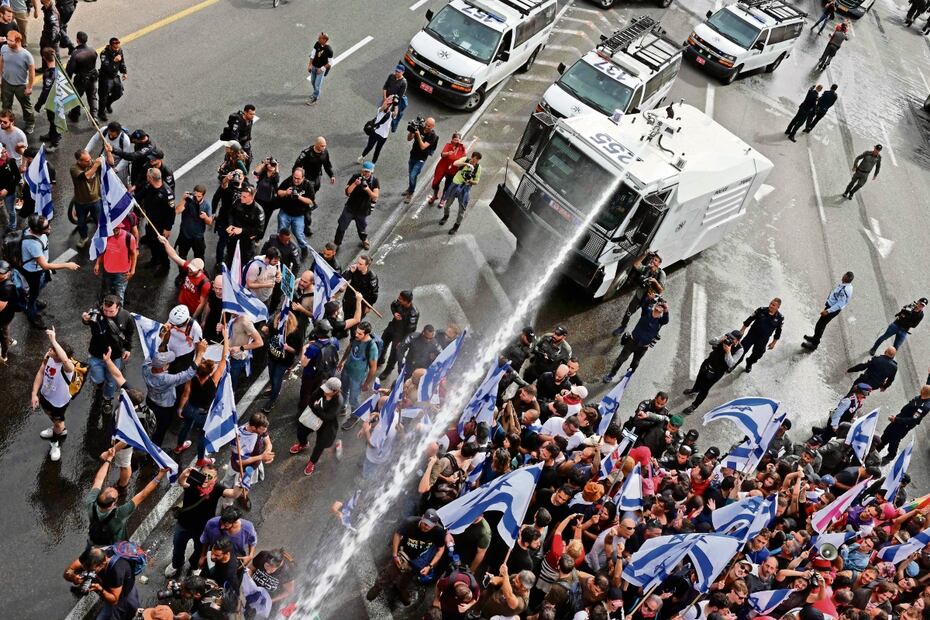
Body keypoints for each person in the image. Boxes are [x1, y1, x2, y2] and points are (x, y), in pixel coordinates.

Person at [165, 464, 242, 578]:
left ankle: (195, 566)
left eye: (210, 477)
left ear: (215, 479)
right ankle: (176, 564)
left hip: (203, 528)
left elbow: (234, 494)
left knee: (199, 550)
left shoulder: (217, 488)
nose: (206, 478)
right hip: (184, 524)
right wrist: (183, 474)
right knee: (178, 547)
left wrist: (241, 482)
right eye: (204, 475)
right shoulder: (193, 481)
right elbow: (182, 482)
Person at [366, 509, 447, 606]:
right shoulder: (410, 523)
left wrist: (430, 566)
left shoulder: (439, 531)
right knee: (390, 573)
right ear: (422, 517)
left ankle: (401, 590)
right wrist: (395, 555)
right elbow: (397, 534)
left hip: (419, 559)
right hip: (404, 553)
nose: (425, 527)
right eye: (425, 523)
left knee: (408, 578)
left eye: (429, 525)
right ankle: (378, 587)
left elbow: (441, 549)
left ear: (435, 524)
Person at [86, 457, 167, 547]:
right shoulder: (120, 513)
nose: (112, 488)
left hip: (94, 541)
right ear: (113, 504)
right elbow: (143, 494)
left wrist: (108, 459)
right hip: (115, 546)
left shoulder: (90, 503)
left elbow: (98, 480)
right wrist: (160, 475)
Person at [174, 333, 228, 464]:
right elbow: (224, 359)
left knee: (185, 426)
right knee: (202, 436)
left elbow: (186, 394)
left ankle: (179, 446)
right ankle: (200, 459)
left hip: (189, 407)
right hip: (203, 413)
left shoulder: (192, 377)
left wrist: (180, 409)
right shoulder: (214, 380)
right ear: (210, 372)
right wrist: (225, 339)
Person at [21, 214, 80, 329]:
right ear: (37, 230)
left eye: (48, 224)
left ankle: (32, 296)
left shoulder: (34, 231)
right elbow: (44, 265)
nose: (50, 227)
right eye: (47, 226)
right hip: (34, 272)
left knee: (39, 286)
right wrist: (67, 265)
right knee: (34, 292)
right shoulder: (33, 244)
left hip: (38, 268)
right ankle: (31, 313)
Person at [144, 339, 206, 447]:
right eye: (168, 363)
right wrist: (200, 354)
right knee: (160, 430)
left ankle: (146, 438)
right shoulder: (166, 379)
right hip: (164, 409)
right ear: (163, 367)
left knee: (148, 423)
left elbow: (152, 353)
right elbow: (187, 374)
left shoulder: (145, 367)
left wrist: (162, 339)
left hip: (150, 401)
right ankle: (154, 449)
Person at [82, 295, 133, 414]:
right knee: (97, 378)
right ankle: (99, 384)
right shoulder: (96, 313)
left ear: (118, 307)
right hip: (96, 354)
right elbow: (87, 321)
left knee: (111, 381)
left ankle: (107, 399)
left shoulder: (126, 316)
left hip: (114, 357)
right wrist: (85, 319)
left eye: (111, 311)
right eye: (105, 310)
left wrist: (127, 349)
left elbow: (129, 333)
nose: (107, 313)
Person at [30, 326, 74, 461]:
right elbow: (41, 372)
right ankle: (57, 427)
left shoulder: (68, 367)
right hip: (45, 396)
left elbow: (65, 360)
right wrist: (34, 393)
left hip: (59, 402)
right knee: (53, 418)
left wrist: (54, 340)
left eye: (53, 350)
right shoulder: (49, 357)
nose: (50, 350)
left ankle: (55, 442)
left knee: (59, 423)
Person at [63, 545, 142, 620]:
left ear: (104, 561)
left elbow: (114, 600)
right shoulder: (92, 557)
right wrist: (73, 577)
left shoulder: (116, 571)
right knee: (134, 608)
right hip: (113, 585)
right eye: (85, 569)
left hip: (122, 593)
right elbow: (68, 571)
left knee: (124, 610)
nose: (88, 572)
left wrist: (100, 589)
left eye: (92, 570)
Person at [603, 298, 669, 382]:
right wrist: (650, 299)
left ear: (663, 310)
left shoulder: (661, 321)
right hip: (632, 342)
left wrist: (666, 308)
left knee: (635, 363)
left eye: (662, 306)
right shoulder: (647, 312)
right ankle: (611, 374)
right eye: (659, 304)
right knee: (620, 359)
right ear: (656, 305)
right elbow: (644, 305)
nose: (660, 307)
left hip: (643, 348)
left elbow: (666, 320)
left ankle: (628, 376)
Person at [292, 376, 344, 476]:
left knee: (321, 445)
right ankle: (303, 444)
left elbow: (328, 417)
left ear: (335, 391)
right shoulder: (322, 388)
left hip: (327, 424)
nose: (325, 392)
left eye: (328, 391)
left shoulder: (338, 401)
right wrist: (317, 410)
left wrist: (318, 409)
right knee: (301, 431)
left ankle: (312, 462)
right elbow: (311, 400)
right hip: (314, 417)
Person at [682, 330, 743, 414]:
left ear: (737, 341)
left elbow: (731, 364)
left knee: (705, 389)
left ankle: (694, 406)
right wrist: (720, 340)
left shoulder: (740, 350)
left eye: (732, 339)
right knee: (699, 378)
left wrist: (728, 351)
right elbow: (711, 342)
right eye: (730, 337)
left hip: (717, 372)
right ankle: (694, 390)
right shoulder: (726, 337)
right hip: (708, 363)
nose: (730, 339)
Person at [874, 385, 930, 464]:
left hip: (903, 426)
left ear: (924, 392)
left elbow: (913, 420)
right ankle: (878, 447)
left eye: (923, 389)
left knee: (894, 440)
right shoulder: (920, 397)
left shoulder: (924, 407)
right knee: (887, 433)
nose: (921, 389)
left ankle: (890, 455)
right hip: (898, 419)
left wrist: (896, 419)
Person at [614, 251, 667, 334]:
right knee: (628, 312)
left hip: (649, 299)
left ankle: (638, 333)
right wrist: (644, 254)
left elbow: (661, 290)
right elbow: (636, 264)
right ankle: (622, 326)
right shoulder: (647, 268)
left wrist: (655, 281)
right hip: (639, 295)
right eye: (653, 259)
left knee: (645, 318)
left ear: (659, 263)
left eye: (656, 260)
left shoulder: (661, 274)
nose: (653, 261)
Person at [261, 309, 303, 413]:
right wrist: (265, 329)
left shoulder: (295, 333)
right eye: (279, 321)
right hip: (272, 356)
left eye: (284, 323)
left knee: (277, 379)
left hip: (283, 361)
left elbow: (297, 351)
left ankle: (273, 400)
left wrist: (288, 348)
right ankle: (273, 390)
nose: (281, 325)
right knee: (271, 375)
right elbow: (267, 327)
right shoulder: (275, 326)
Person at [334, 161, 380, 251]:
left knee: (362, 227)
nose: (366, 173)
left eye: (368, 172)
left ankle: (364, 240)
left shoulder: (374, 181)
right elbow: (347, 192)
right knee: (341, 226)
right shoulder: (355, 177)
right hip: (350, 207)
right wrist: (355, 184)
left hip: (363, 209)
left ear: (372, 172)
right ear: (362, 170)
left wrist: (367, 189)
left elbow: (375, 196)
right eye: (365, 171)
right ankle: (337, 243)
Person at [803, 271, 854, 350]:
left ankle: (814, 344)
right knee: (820, 325)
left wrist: (828, 311)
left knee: (820, 325)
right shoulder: (846, 285)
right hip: (831, 306)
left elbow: (839, 304)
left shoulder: (844, 290)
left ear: (846, 278)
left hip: (832, 309)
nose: (843, 276)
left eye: (844, 276)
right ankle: (815, 338)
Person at [138, 168, 176, 275]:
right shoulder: (149, 186)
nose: (146, 178)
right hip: (150, 221)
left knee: (161, 246)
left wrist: (168, 228)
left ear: (151, 178)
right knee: (151, 242)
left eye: (147, 176)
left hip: (161, 225)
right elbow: (140, 195)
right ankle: (155, 259)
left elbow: (171, 213)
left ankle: (165, 265)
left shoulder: (167, 194)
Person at [171, 185, 212, 278]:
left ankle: (200, 275)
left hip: (198, 237)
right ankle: (182, 275)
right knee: (182, 257)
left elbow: (210, 222)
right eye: (195, 195)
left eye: (199, 196)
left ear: (203, 196)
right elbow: (177, 211)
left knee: (200, 257)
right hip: (185, 235)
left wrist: (205, 217)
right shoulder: (188, 201)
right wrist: (183, 199)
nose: (196, 198)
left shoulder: (206, 205)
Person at [199, 505, 258, 569]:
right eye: (221, 522)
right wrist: (203, 555)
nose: (221, 527)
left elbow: (253, 542)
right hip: (215, 555)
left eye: (226, 525)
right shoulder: (212, 523)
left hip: (235, 559)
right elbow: (205, 539)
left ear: (235, 522)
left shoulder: (248, 528)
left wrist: (250, 556)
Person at [338, 322, 379, 414]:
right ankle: (343, 406)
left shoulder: (371, 347)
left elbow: (373, 368)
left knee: (353, 398)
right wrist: (341, 362)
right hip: (346, 370)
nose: (356, 334)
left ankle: (355, 415)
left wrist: (366, 383)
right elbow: (349, 348)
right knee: (344, 390)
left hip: (357, 377)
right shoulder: (355, 337)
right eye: (356, 332)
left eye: (360, 333)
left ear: (367, 334)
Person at [378, 289, 419, 380]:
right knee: (382, 344)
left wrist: (402, 342)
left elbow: (411, 330)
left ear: (406, 301)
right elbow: (393, 305)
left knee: (394, 354)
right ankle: (380, 359)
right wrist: (394, 313)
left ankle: (388, 370)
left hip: (401, 335)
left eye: (401, 299)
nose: (398, 299)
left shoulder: (413, 313)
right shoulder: (399, 302)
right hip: (392, 327)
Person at [439, 151, 482, 235]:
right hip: (455, 184)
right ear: (472, 157)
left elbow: (476, 181)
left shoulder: (478, 168)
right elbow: (455, 163)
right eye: (474, 158)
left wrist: (470, 181)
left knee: (461, 210)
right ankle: (445, 216)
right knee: (447, 204)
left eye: (477, 160)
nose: (475, 161)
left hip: (464, 188)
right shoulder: (465, 159)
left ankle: (456, 226)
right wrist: (466, 164)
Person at [0, 31, 35, 134]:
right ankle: (7, 122)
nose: (8, 41)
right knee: (6, 105)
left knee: (26, 107)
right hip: (6, 83)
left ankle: (30, 123)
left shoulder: (26, 55)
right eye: (7, 39)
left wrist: (29, 87)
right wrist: (0, 76)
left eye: (11, 40)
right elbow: (1, 61)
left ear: (18, 41)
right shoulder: (4, 48)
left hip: (21, 85)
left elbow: (32, 72)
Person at [275, 166, 314, 255]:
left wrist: (299, 197)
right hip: (285, 212)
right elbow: (278, 192)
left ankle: (304, 248)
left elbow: (310, 201)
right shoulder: (288, 181)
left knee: (299, 234)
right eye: (294, 178)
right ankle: (280, 248)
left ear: (303, 178)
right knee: (281, 232)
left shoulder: (308, 185)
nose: (296, 180)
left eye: (298, 179)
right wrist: (286, 192)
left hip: (299, 215)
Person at [739, 298, 784, 372]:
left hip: (763, 339)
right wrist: (742, 330)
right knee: (741, 350)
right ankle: (734, 364)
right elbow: (750, 319)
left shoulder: (780, 318)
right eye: (770, 303)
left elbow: (778, 332)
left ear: (778, 307)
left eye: (773, 305)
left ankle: (749, 362)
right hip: (752, 335)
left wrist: (773, 343)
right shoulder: (761, 310)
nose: (771, 306)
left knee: (757, 355)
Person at [223, 185, 264, 267]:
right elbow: (230, 213)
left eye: (244, 197)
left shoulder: (258, 211)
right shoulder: (238, 202)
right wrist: (230, 225)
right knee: (230, 256)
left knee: (245, 262)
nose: (241, 198)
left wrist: (242, 230)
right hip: (234, 236)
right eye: (241, 195)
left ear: (252, 197)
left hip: (247, 240)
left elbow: (259, 230)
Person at [404, 116, 438, 203]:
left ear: (433, 126)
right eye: (426, 124)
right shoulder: (420, 127)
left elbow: (423, 147)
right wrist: (412, 132)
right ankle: (410, 188)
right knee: (411, 174)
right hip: (413, 155)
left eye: (429, 126)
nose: (426, 127)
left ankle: (410, 193)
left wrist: (418, 135)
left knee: (413, 175)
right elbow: (409, 139)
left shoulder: (432, 136)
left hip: (421, 159)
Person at [33, 47, 61, 151]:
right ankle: (51, 134)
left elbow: (46, 92)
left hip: (54, 102)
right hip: (58, 101)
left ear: (44, 58)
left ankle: (55, 142)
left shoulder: (49, 74)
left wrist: (39, 104)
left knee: (55, 122)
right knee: (52, 120)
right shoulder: (59, 69)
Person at [66, 31, 97, 120]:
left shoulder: (76, 54)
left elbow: (69, 70)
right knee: (92, 96)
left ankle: (75, 115)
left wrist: (68, 80)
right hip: (92, 77)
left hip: (81, 79)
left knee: (76, 97)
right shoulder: (93, 51)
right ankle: (94, 116)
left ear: (77, 40)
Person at [429, 132, 466, 205]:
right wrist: (448, 153)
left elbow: (464, 159)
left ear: (460, 140)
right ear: (452, 140)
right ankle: (435, 195)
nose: (456, 141)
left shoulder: (462, 148)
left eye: (458, 140)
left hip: (453, 169)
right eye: (455, 139)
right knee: (435, 183)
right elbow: (442, 154)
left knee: (447, 185)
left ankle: (443, 199)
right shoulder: (448, 145)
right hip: (443, 166)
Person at [98, 37, 127, 121]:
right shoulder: (104, 54)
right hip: (106, 77)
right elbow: (106, 67)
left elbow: (122, 62)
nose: (116, 49)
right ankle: (101, 112)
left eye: (118, 47)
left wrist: (124, 72)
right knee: (103, 96)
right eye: (115, 47)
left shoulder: (119, 50)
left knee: (119, 93)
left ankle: (108, 103)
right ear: (110, 46)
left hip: (114, 76)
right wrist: (114, 61)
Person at [341, 253, 378, 318]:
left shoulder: (372, 277)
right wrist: (350, 272)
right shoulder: (354, 269)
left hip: (360, 303)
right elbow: (342, 280)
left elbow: (374, 294)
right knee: (346, 318)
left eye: (360, 264)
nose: (357, 265)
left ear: (367, 265)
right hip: (349, 299)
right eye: (358, 262)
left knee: (354, 323)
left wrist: (369, 306)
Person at [358, 96, 393, 164]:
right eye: (388, 99)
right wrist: (388, 101)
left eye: (391, 101)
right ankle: (362, 157)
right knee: (369, 146)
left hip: (383, 136)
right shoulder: (380, 110)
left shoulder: (392, 114)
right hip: (375, 132)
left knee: (377, 150)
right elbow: (384, 107)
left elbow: (396, 112)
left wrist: (395, 104)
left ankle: (373, 164)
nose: (390, 101)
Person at [306, 32, 333, 104]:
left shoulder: (329, 50)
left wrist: (322, 69)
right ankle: (315, 93)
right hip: (314, 66)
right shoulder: (317, 43)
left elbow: (330, 63)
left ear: (325, 40)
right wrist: (310, 65)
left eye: (320, 38)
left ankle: (315, 97)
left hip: (320, 70)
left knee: (317, 84)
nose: (318, 39)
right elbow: (312, 55)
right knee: (312, 82)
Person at [0, 260, 18, 361]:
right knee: (3, 332)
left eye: (2, 273)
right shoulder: (2, 280)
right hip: (5, 312)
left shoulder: (6, 287)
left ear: (8, 273)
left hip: (4, 316)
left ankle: (4, 355)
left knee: (3, 333)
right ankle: (10, 340)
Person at [0, 142, 20, 231]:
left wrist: (7, 189)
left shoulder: (11, 162)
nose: (4, 154)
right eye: (1, 153)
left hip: (9, 193)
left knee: (11, 211)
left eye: (4, 151)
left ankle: (12, 226)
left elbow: (17, 178)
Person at [383, 64, 408, 133]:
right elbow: (385, 87)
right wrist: (385, 98)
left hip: (394, 102)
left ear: (403, 72)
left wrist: (392, 104)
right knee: (380, 111)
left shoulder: (404, 83)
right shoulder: (391, 76)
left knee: (389, 117)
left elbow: (399, 97)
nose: (397, 73)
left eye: (399, 72)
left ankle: (390, 128)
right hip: (386, 99)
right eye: (396, 71)